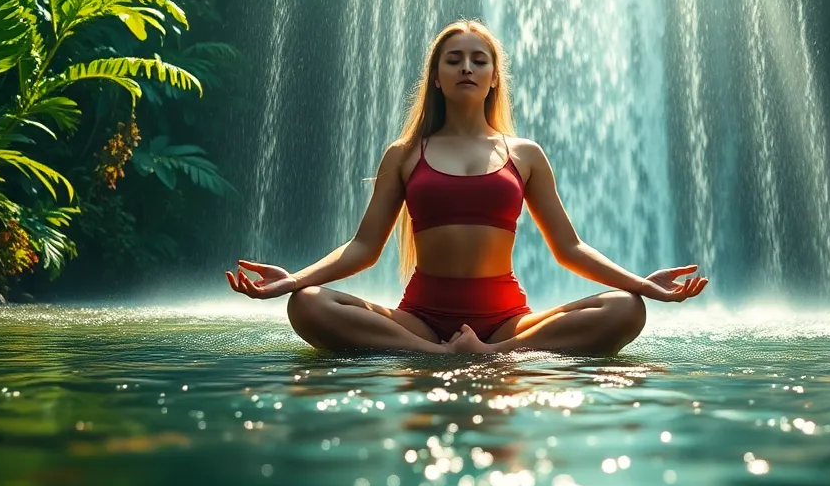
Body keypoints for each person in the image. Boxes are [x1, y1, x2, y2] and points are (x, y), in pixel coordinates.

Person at [225, 19, 708, 354]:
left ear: (495, 77)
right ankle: (435, 354)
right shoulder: (405, 153)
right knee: (307, 305)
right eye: (453, 59)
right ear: (435, 77)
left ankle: (495, 352)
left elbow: (570, 247)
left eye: (479, 60)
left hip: (506, 321)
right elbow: (363, 247)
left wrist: (642, 284)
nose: (467, 67)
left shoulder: (525, 154)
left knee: (626, 309)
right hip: (419, 319)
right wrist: (294, 280)